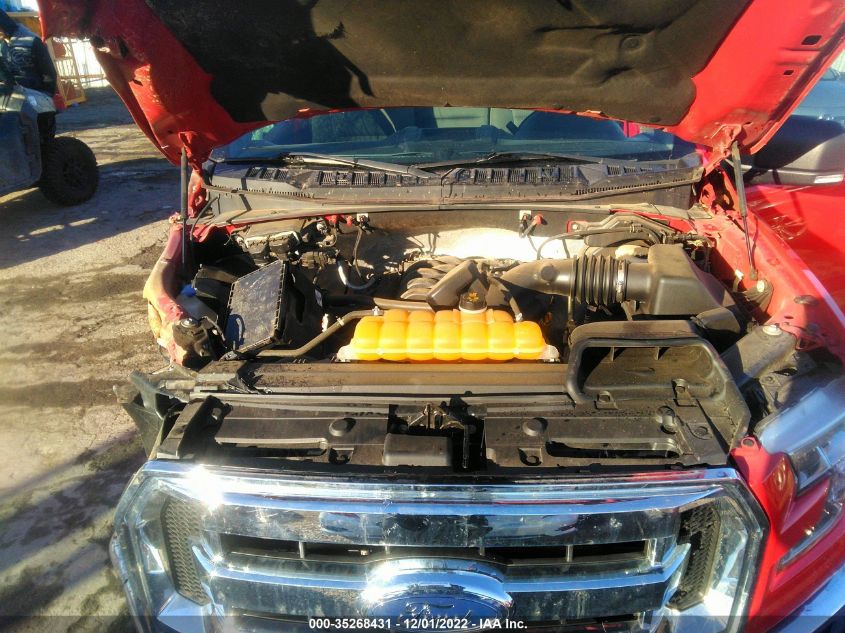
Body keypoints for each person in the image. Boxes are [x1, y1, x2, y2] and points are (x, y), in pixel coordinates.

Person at [0, 10, 57, 96]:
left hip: (36, 95)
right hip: (14, 95)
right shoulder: (2, 44)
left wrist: (46, 96)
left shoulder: (32, 42)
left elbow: (49, 73)